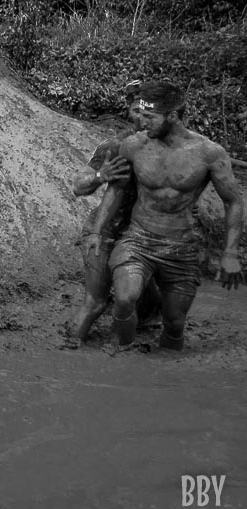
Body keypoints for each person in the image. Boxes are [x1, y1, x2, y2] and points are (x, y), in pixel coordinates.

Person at [93, 81, 244, 351]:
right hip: (138, 239)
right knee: (125, 298)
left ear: (172, 117)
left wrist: (230, 253)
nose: (142, 122)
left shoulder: (208, 153)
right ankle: (123, 350)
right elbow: (115, 190)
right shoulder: (134, 146)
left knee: (174, 322)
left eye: (150, 117)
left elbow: (233, 201)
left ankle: (165, 370)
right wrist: (97, 231)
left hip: (181, 247)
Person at [67, 78, 161, 344]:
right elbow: (77, 185)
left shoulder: (169, 148)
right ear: (129, 111)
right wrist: (100, 175)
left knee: (154, 301)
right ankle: (69, 349)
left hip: (142, 236)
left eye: (149, 112)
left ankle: (136, 337)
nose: (143, 119)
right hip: (106, 232)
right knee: (95, 302)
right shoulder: (115, 146)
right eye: (137, 111)